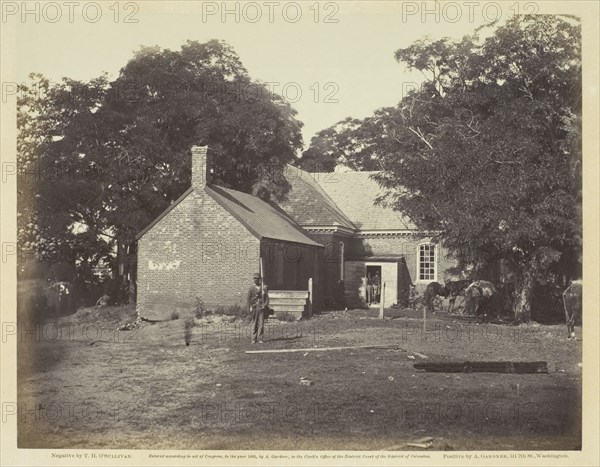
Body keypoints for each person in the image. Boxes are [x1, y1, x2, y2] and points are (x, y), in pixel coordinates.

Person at [247, 272, 269, 344]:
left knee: (261, 323)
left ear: (259, 279)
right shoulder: (251, 288)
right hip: (254, 308)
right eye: (254, 278)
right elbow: (248, 300)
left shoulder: (263, 288)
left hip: (261, 308)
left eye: (257, 278)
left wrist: (264, 305)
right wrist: (248, 309)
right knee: (254, 323)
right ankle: (253, 338)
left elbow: (267, 299)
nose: (255, 280)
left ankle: (260, 338)